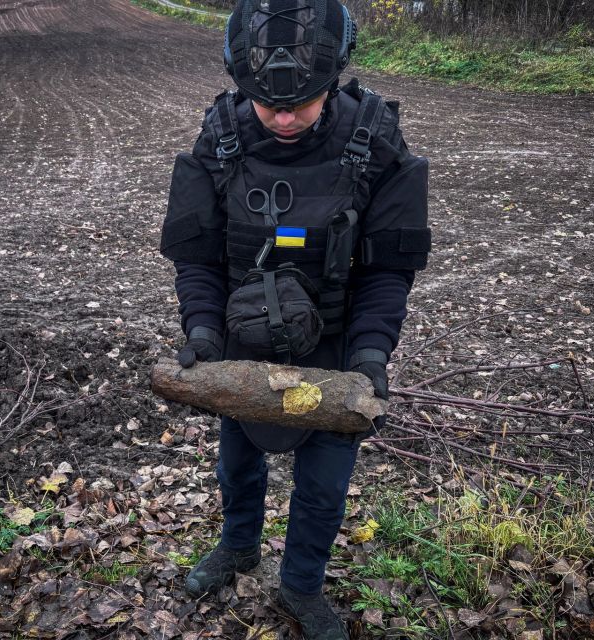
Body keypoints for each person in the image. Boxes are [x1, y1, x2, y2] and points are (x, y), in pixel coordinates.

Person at [159, 0, 430, 637]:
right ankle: (238, 547)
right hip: (242, 341)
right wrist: (202, 330)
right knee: (238, 461)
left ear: (332, 79)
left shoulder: (375, 141)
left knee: (325, 481)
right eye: (267, 104)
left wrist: (370, 356)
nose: (282, 117)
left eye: (300, 102)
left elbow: (388, 270)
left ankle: (302, 584)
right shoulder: (221, 136)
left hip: (331, 345)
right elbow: (197, 255)